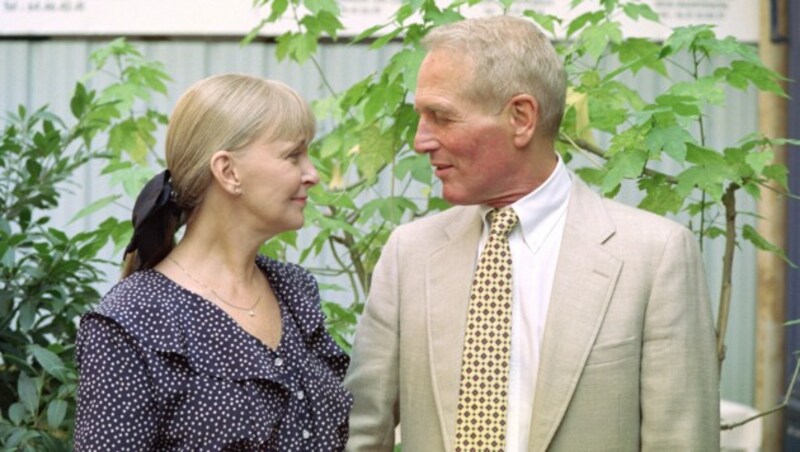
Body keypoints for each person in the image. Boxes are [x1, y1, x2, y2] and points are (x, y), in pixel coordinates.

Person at [344, 16, 719, 452]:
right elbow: (363, 433)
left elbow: (681, 440)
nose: (421, 141)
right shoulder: (408, 253)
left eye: (441, 117)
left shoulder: (654, 256)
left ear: (521, 118)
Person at [75, 74, 352, 451]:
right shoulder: (133, 320)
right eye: (293, 155)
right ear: (228, 171)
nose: (313, 175)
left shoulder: (294, 291)